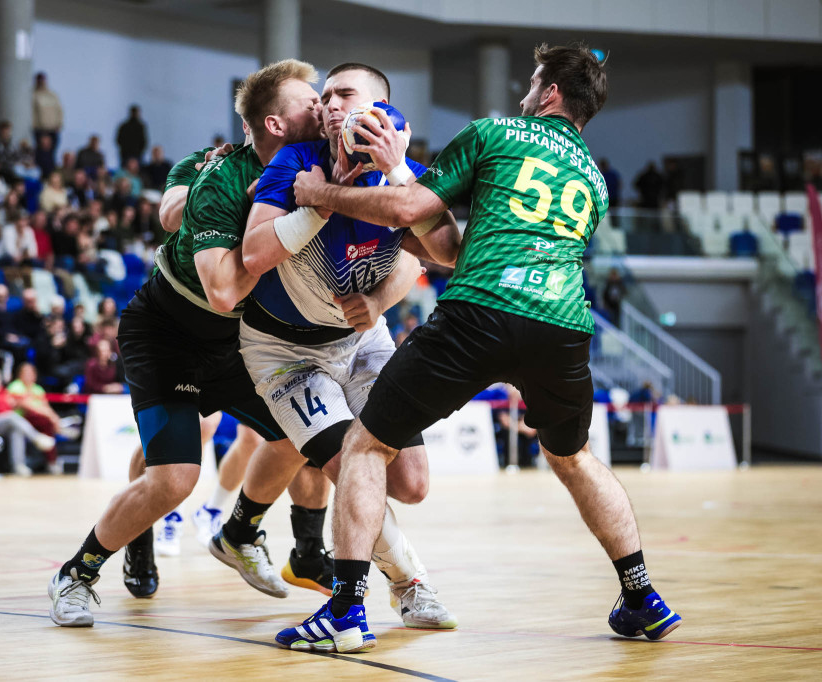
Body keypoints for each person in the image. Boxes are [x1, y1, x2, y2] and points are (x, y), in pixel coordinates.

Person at [283, 42, 682, 651]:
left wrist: (322, 194)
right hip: (564, 325)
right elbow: (459, 241)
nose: (524, 90)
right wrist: (397, 171)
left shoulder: (496, 131)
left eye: (532, 82)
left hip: (483, 312)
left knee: (365, 445)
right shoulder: (595, 181)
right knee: (574, 458)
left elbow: (420, 216)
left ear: (549, 94)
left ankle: (344, 611)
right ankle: (641, 597)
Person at [48, 59, 327, 627]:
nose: (322, 106)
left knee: (306, 430)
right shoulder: (216, 172)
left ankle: (241, 531)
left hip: (239, 342)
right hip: (169, 331)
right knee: (173, 477)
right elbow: (201, 257)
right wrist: (280, 217)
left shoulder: (317, 166)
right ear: (272, 123)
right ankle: (77, 572)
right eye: (310, 100)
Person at [219, 63, 461, 632]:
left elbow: (437, 252)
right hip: (285, 351)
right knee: (350, 465)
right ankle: (410, 585)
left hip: (362, 338)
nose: (329, 103)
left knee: (411, 483)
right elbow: (254, 253)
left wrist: (378, 301)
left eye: (343, 93)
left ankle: (242, 529)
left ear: (381, 106)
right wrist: (319, 203)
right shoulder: (295, 164)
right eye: (323, 96)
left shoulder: (406, 176)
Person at [32, 72, 63, 157]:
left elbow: (59, 110)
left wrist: (59, 124)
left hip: (53, 129)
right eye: (40, 80)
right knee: (42, 154)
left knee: (52, 154)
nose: (42, 82)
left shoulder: (52, 95)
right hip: (40, 130)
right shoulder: (33, 95)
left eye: (43, 80)